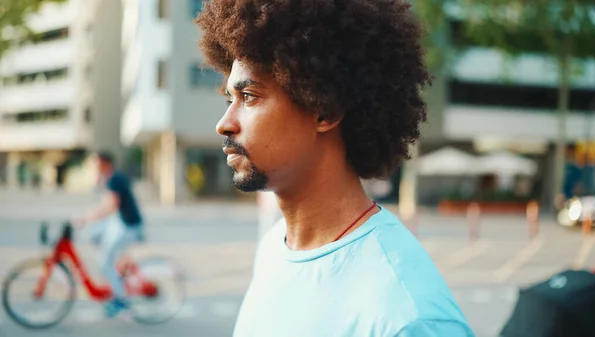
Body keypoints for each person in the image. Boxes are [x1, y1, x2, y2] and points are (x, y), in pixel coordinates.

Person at [196, 1, 475, 336]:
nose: (224, 124)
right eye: (230, 100)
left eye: (249, 97)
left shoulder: (408, 317)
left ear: (323, 110)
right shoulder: (273, 249)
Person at [71, 151, 144, 318]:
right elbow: (106, 206)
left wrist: (85, 218)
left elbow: (111, 207)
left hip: (129, 226)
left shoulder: (115, 179)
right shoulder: (111, 178)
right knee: (92, 235)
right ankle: (114, 270)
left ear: (104, 164)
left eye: (95, 164)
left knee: (104, 262)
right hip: (120, 223)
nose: (93, 168)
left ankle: (120, 298)